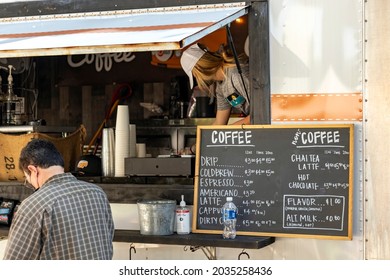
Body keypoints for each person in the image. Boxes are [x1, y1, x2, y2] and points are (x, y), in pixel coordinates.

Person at [3, 139, 115, 260]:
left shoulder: (33, 206)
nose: (32, 186)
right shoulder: (97, 193)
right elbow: (108, 240)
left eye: (28, 180)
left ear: (33, 170)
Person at [180, 43, 250, 125]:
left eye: (195, 76)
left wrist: (228, 131)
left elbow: (262, 112)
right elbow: (219, 123)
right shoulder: (221, 86)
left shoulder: (235, 74)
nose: (199, 82)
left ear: (201, 69)